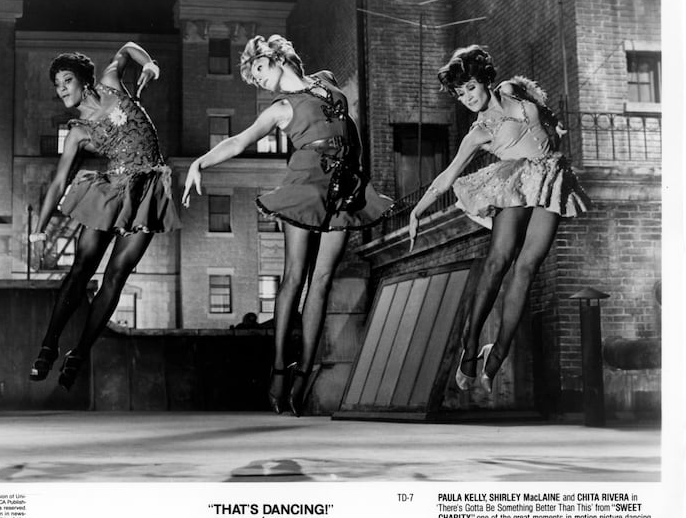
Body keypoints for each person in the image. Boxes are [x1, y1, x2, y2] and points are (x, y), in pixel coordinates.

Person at [182, 34, 392, 416]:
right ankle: (279, 369)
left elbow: (351, 129)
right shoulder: (280, 108)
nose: (256, 79)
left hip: (343, 187)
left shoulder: (325, 79)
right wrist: (200, 163)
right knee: (294, 276)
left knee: (323, 281)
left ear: (276, 58)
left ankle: (304, 373)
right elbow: (238, 140)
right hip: (305, 185)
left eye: (258, 69)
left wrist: (359, 174)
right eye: (252, 77)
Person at [408, 45, 590, 394]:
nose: (467, 98)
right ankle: (471, 344)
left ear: (485, 81)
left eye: (470, 88)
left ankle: (499, 351)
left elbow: (545, 115)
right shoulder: (478, 132)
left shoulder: (511, 89)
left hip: (551, 179)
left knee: (527, 268)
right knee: (498, 262)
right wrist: (418, 210)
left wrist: (555, 128)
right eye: (459, 95)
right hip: (517, 185)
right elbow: (446, 177)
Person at [28, 43, 180, 390]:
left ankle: (79, 353)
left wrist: (150, 63)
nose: (61, 88)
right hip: (111, 191)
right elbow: (58, 182)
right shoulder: (79, 133)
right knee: (81, 268)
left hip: (148, 191)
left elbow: (128, 49)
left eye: (67, 80)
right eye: (57, 84)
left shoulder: (111, 82)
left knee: (117, 275)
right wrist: (40, 229)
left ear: (84, 80)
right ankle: (48, 345)